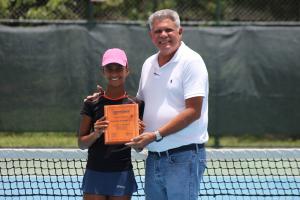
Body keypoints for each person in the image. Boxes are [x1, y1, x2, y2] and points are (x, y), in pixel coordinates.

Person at [86, 9, 209, 200]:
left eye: (168, 30)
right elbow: (137, 105)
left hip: (183, 157)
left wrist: (155, 135)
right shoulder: (149, 64)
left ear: (180, 31)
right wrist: (105, 97)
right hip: (154, 157)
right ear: (151, 36)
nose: (163, 35)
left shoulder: (192, 62)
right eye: (158, 31)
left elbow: (193, 111)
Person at [78, 48, 144, 200]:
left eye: (119, 68)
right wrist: (96, 133)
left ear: (127, 70)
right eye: (109, 69)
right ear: (103, 71)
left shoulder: (137, 105)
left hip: (122, 172)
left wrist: (138, 136)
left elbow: (139, 148)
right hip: (95, 172)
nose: (114, 73)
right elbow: (81, 144)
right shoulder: (91, 103)